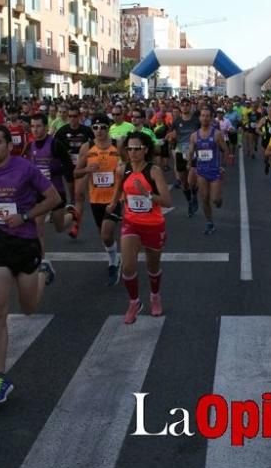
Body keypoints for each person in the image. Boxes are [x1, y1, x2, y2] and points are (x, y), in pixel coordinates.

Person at [0, 125, 60, 404]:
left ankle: (43, 271)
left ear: (9, 144)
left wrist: (26, 216)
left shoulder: (26, 169)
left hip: (25, 245)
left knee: (29, 309)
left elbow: (54, 198)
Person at [107, 132, 172, 323]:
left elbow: (167, 201)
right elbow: (119, 189)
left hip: (153, 225)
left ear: (145, 149)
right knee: (127, 266)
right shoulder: (123, 169)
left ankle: (154, 296)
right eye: (130, 149)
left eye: (137, 148)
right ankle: (134, 302)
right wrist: (113, 203)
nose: (133, 152)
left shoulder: (154, 171)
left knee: (153, 266)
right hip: (131, 223)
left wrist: (147, 194)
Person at [27, 112, 77, 279]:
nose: (35, 130)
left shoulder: (56, 144)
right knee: (38, 226)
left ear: (46, 128)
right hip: (38, 193)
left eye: (38, 126)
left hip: (56, 192)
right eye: (32, 126)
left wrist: (55, 170)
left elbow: (69, 167)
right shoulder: (30, 146)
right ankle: (42, 262)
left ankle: (71, 215)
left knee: (60, 227)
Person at [74, 114, 122, 285]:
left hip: (116, 197)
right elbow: (76, 172)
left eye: (102, 127)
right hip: (96, 199)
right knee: (105, 237)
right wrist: (87, 169)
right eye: (95, 127)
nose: (99, 131)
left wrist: (123, 170)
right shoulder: (86, 148)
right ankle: (114, 256)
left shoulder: (118, 145)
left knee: (106, 232)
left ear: (108, 128)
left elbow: (132, 165)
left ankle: (113, 262)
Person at [189, 107, 230, 235]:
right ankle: (209, 223)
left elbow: (225, 150)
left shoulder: (217, 134)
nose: (205, 118)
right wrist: (189, 163)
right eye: (203, 115)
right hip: (201, 171)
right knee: (205, 198)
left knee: (215, 200)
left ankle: (219, 200)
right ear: (200, 118)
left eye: (207, 116)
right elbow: (191, 151)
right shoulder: (194, 136)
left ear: (211, 118)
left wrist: (223, 165)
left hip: (214, 170)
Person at [55, 106, 93, 239]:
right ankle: (73, 212)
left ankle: (76, 226)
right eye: (70, 116)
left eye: (74, 116)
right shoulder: (62, 131)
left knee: (79, 195)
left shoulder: (86, 131)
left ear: (79, 117)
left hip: (82, 167)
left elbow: (95, 145)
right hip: (68, 166)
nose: (72, 119)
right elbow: (55, 146)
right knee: (72, 197)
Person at [169, 99, 201, 215]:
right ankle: (189, 202)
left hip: (194, 153)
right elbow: (171, 136)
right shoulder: (176, 122)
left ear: (191, 106)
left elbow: (202, 133)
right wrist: (172, 137)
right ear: (180, 107)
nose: (185, 107)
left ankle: (195, 195)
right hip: (180, 152)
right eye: (183, 105)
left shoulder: (196, 121)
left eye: (187, 105)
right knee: (184, 182)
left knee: (191, 180)